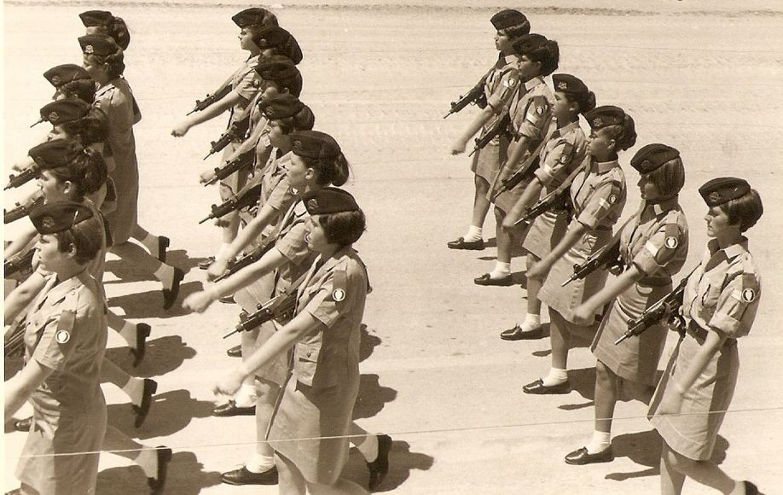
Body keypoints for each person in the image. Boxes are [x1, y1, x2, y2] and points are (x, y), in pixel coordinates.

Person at [185, 131, 391, 490]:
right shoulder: (318, 228)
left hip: (313, 361)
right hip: (300, 355)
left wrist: (239, 370)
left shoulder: (340, 268)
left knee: (318, 479)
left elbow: (295, 320)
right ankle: (367, 446)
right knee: (292, 460)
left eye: (292, 162)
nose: (282, 164)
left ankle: (270, 458)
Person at [212, 187, 372, 495]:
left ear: (334, 233)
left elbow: (294, 330)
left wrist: (241, 372)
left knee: (320, 483)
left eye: (314, 226)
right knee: (286, 465)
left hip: (324, 388)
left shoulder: (345, 275)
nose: (306, 230)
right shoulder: (322, 260)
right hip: (299, 379)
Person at [563, 144, 689, 464]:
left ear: (663, 182)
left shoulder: (671, 226)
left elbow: (637, 272)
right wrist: (601, 257)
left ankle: (683, 431)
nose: (638, 184)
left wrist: (592, 302)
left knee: (636, 385)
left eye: (645, 179)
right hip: (626, 300)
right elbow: (625, 235)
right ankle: (600, 442)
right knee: (604, 370)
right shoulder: (649, 206)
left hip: (647, 302)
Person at [648, 178, 763, 495]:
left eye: (714, 213)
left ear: (736, 221)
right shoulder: (712, 253)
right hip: (687, 352)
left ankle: (740, 491)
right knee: (670, 440)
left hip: (709, 368)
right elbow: (699, 307)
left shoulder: (743, 274)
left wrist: (680, 389)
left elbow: (716, 339)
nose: (706, 217)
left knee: (683, 457)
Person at [523, 105, 636, 394]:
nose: (589, 138)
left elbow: (581, 228)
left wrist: (548, 259)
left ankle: (621, 355)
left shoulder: (611, 182)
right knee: (558, 308)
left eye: (595, 134)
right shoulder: (589, 164)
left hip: (587, 247)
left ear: (610, 143)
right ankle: (558, 373)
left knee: (575, 316)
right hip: (576, 243)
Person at [4, 201, 107, 495]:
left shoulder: (71, 312)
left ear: (70, 250)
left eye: (44, 241)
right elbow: (23, 294)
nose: (36, 248)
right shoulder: (64, 275)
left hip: (66, 427)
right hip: (51, 416)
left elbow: (25, 384)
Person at [79, 33, 184, 309]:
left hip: (113, 176)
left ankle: (167, 274)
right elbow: (136, 116)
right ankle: (164, 269)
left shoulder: (105, 99)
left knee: (113, 241)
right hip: (124, 169)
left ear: (102, 65)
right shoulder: (119, 87)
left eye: (88, 63)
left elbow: (97, 142)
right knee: (112, 238)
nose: (84, 67)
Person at [171, 8, 279, 269]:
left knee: (241, 200)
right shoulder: (252, 62)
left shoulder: (260, 69)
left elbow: (230, 102)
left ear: (261, 36)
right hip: (238, 137)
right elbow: (223, 94)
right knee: (229, 194)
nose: (240, 34)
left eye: (245, 30)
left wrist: (190, 122)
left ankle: (240, 261)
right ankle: (227, 254)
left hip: (248, 141)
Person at [500, 73, 595, 340]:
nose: (553, 101)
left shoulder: (569, 139)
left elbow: (543, 177)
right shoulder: (557, 131)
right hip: (549, 207)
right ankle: (535, 319)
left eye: (560, 99)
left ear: (574, 107)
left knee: (544, 264)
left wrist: (516, 212)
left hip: (558, 211)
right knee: (536, 260)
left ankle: (540, 322)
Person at [476, 33, 559, 286]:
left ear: (537, 66)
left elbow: (526, 138)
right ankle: (503, 267)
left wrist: (508, 170)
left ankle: (543, 266)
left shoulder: (539, 96)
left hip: (526, 159)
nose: (518, 63)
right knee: (503, 212)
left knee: (517, 217)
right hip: (515, 153)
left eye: (524, 60)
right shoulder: (522, 87)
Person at [447, 9, 529, 252]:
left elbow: (492, 108)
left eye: (501, 35)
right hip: (490, 132)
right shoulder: (503, 62)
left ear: (514, 40)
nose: (496, 38)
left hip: (501, 135)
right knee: (481, 181)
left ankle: (510, 238)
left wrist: (463, 138)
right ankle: (475, 233)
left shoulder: (514, 69)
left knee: (497, 186)